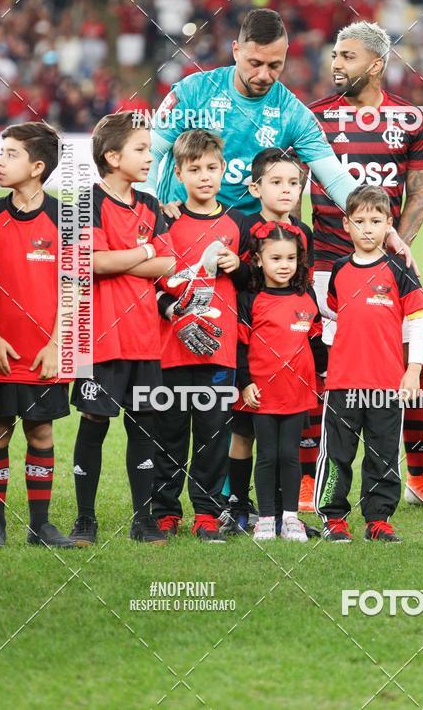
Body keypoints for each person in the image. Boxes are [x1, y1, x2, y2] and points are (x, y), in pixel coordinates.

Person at [141, 9, 410, 270]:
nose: (263, 75)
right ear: (236, 51)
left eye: (274, 66)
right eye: (255, 63)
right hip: (180, 230)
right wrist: (152, 207)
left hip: (246, 246)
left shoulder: (293, 113)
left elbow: (336, 178)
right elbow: (151, 152)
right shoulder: (193, 92)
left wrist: (385, 231)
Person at [308, 21, 423, 511]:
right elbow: (292, 185)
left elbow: (419, 196)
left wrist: (394, 246)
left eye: (347, 56)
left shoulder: (411, 119)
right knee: (320, 370)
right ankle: (308, 478)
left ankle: (418, 476)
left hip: (388, 263)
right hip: (324, 265)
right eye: (335, 55)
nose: (336, 64)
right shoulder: (314, 117)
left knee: (410, 366)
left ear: (376, 65)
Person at [70, 112, 176, 547]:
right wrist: (144, 251)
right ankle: (84, 519)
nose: (151, 157)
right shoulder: (85, 201)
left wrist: (126, 256)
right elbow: (92, 263)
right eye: (141, 149)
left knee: (145, 427)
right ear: (112, 156)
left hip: (145, 340)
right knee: (93, 423)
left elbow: (168, 264)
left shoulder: (150, 205)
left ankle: (143, 518)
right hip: (99, 340)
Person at [315, 185, 423, 543]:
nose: (367, 228)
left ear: (388, 225)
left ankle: (378, 518)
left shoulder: (400, 269)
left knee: (382, 453)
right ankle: (334, 517)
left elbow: (417, 322)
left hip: (387, 384)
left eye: (375, 221)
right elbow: (335, 316)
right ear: (346, 225)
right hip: (343, 383)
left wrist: (413, 369)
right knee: (337, 454)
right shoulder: (338, 270)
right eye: (359, 220)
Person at [153, 129, 250, 542]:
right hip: (172, 347)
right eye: (194, 169)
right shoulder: (166, 220)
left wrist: (238, 266)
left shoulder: (238, 224)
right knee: (170, 431)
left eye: (212, 168)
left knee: (213, 434)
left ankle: (207, 513)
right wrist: (168, 308)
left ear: (224, 169)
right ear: (178, 173)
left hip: (219, 349)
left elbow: (254, 283)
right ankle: (164, 510)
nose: (205, 176)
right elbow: (152, 281)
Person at [0, 122, 75, 549]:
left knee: (42, 434)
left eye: (11, 154)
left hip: (47, 352)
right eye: (0, 152)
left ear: (37, 167)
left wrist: (58, 344)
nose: (0, 161)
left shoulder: (66, 219)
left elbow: (73, 286)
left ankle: (40, 526)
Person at [224, 147, 315, 534]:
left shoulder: (303, 233)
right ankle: (239, 507)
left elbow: (302, 289)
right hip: (250, 343)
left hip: (288, 346)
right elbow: (238, 278)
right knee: (243, 434)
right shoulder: (241, 225)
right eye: (276, 182)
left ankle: (284, 514)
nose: (286, 190)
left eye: (293, 183)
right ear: (256, 187)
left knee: (285, 442)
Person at [237, 222, 327, 542]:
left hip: (296, 390)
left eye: (290, 258)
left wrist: (328, 372)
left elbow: (315, 342)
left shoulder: (306, 295)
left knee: (290, 454)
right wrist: (245, 383)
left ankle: (290, 518)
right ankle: (265, 518)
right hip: (261, 392)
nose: (284, 265)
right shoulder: (251, 298)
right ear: (259, 260)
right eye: (275, 259)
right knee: (267, 455)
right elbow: (240, 346)